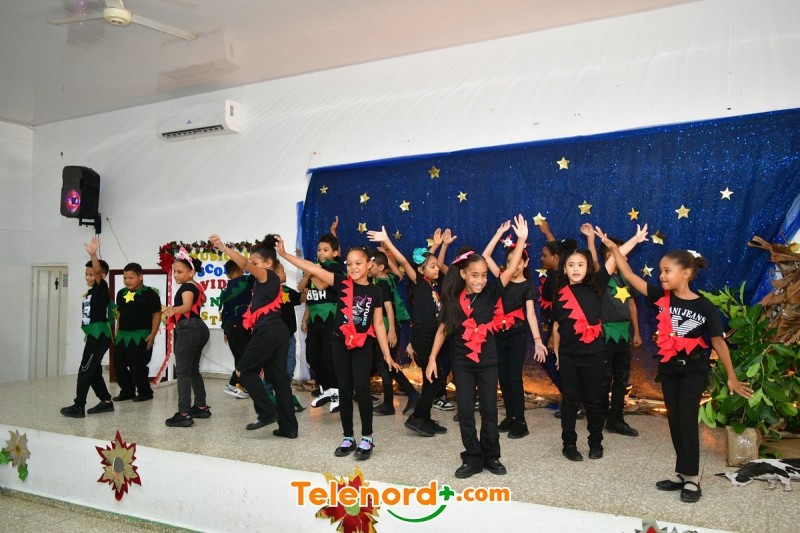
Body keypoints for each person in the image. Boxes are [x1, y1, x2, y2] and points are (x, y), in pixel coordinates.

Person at [597, 228, 752, 503]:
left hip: (694, 369)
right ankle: (683, 473)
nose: (661, 276)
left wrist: (731, 376)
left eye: (667, 271)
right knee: (675, 419)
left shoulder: (704, 306)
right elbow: (629, 275)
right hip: (669, 368)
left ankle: (692, 479)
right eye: (660, 271)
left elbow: (718, 342)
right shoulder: (660, 296)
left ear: (686, 274)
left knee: (687, 420)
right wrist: (613, 248)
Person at [425, 215, 529, 479]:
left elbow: (510, 269)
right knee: (465, 412)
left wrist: (521, 241)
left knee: (490, 411)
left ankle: (491, 455)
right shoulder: (453, 299)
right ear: (463, 274)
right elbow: (443, 329)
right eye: (475, 275)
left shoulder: (491, 293)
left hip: (488, 361)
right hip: (462, 362)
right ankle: (472, 458)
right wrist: (433, 358)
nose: (480, 280)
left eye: (483, 275)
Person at [277, 237, 399, 460]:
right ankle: (348, 436)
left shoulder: (376, 291)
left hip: (362, 344)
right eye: (349, 264)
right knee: (344, 389)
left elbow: (379, 325)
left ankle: (367, 437)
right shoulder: (342, 283)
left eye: (358, 263)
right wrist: (284, 255)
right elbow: (313, 268)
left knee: (361, 387)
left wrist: (387, 354)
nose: (353, 267)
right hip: (340, 343)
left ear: (368, 265)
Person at [552, 225, 648, 462]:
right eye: (571, 265)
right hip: (569, 356)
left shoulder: (597, 286)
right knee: (570, 401)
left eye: (580, 264)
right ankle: (569, 444)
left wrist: (635, 239)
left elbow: (615, 258)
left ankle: (595, 442)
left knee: (594, 400)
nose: (576, 269)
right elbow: (557, 327)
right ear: (564, 268)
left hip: (594, 354)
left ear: (588, 268)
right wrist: (558, 355)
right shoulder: (559, 295)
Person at [210, 235, 299, 439]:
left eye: (256, 263)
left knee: (244, 371)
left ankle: (267, 412)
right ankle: (288, 427)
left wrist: (223, 247)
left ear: (268, 263)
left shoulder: (268, 276)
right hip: (277, 331)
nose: (252, 266)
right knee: (279, 380)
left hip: (269, 330)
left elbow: (243, 264)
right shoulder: (263, 283)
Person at [368, 234, 442, 431]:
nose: (437, 268)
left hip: (430, 336)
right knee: (435, 379)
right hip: (424, 337)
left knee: (430, 379)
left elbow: (425, 261)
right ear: (421, 270)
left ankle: (424, 418)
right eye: (433, 266)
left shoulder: (428, 283)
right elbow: (403, 261)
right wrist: (387, 241)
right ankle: (417, 417)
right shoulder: (419, 281)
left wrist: (436, 245)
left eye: (436, 266)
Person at [482, 223, 547, 439]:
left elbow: (530, 315)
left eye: (518, 261)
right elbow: (486, 256)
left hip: (516, 335)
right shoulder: (502, 277)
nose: (514, 265)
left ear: (525, 262)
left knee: (514, 377)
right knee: (502, 376)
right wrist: (498, 233)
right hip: (497, 335)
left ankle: (521, 421)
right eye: (510, 261)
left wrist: (537, 340)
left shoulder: (527, 285)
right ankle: (510, 415)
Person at [587, 227, 642, 437]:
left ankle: (616, 419)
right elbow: (594, 261)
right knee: (603, 378)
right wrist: (591, 239)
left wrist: (636, 332)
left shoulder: (626, 278)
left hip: (623, 334)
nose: (625, 257)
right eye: (621, 253)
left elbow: (632, 305)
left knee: (621, 378)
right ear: (609, 256)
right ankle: (600, 415)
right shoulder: (601, 278)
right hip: (605, 335)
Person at [60, 236, 114, 418]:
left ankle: (79, 405)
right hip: (94, 335)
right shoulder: (92, 292)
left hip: (99, 336)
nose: (88, 277)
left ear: (101, 276)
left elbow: (97, 271)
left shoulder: (101, 287)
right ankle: (106, 401)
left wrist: (93, 255)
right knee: (94, 369)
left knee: (85, 369)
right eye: (86, 274)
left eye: (91, 274)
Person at [162, 250, 210, 428]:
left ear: (191, 272)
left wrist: (174, 309)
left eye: (179, 271)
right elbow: (197, 303)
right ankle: (201, 407)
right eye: (174, 271)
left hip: (189, 329)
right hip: (199, 329)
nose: (175, 275)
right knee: (192, 369)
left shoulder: (187, 287)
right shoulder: (196, 286)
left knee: (182, 372)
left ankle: (183, 413)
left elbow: (187, 306)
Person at [369, 251, 419, 416]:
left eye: (372, 265)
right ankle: (395, 400)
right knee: (386, 365)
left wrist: (391, 330)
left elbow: (389, 308)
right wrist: (386, 255)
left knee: (385, 365)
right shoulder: (389, 278)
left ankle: (404, 397)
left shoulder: (381, 284)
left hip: (385, 326)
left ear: (380, 267)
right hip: (389, 326)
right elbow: (399, 274)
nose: (369, 267)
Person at [299, 232, 343, 413]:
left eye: (325, 250)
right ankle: (326, 389)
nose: (321, 253)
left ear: (335, 253)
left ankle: (337, 392)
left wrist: (312, 271)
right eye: (319, 249)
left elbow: (322, 285)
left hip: (331, 319)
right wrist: (304, 320)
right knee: (312, 356)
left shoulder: (336, 268)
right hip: (315, 320)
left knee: (329, 357)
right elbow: (304, 291)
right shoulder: (314, 268)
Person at [113, 262, 162, 403]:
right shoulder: (121, 293)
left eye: (131, 277)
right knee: (119, 365)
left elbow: (156, 315)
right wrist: (117, 332)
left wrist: (152, 334)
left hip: (141, 335)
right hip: (123, 335)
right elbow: (119, 314)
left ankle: (145, 392)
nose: (127, 281)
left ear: (140, 277)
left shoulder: (150, 294)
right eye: (125, 278)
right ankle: (127, 391)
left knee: (138, 366)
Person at [219, 259, 255, 399]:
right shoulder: (245, 280)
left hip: (230, 325)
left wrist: (225, 330)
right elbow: (256, 273)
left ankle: (241, 386)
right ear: (242, 270)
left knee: (240, 355)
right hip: (238, 323)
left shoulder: (226, 289)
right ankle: (233, 384)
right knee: (245, 355)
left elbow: (224, 311)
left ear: (228, 275)